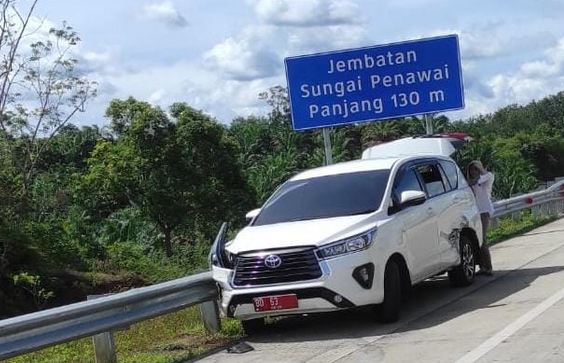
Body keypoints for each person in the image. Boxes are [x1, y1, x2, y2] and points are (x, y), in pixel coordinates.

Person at [467, 160, 494, 276]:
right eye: (472, 169)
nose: (474, 171)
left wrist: (481, 169)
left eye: (476, 169)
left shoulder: (485, 179)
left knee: (483, 240)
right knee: (477, 241)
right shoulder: (470, 183)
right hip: (474, 213)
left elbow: (488, 175)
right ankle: (482, 266)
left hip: (484, 212)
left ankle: (489, 267)